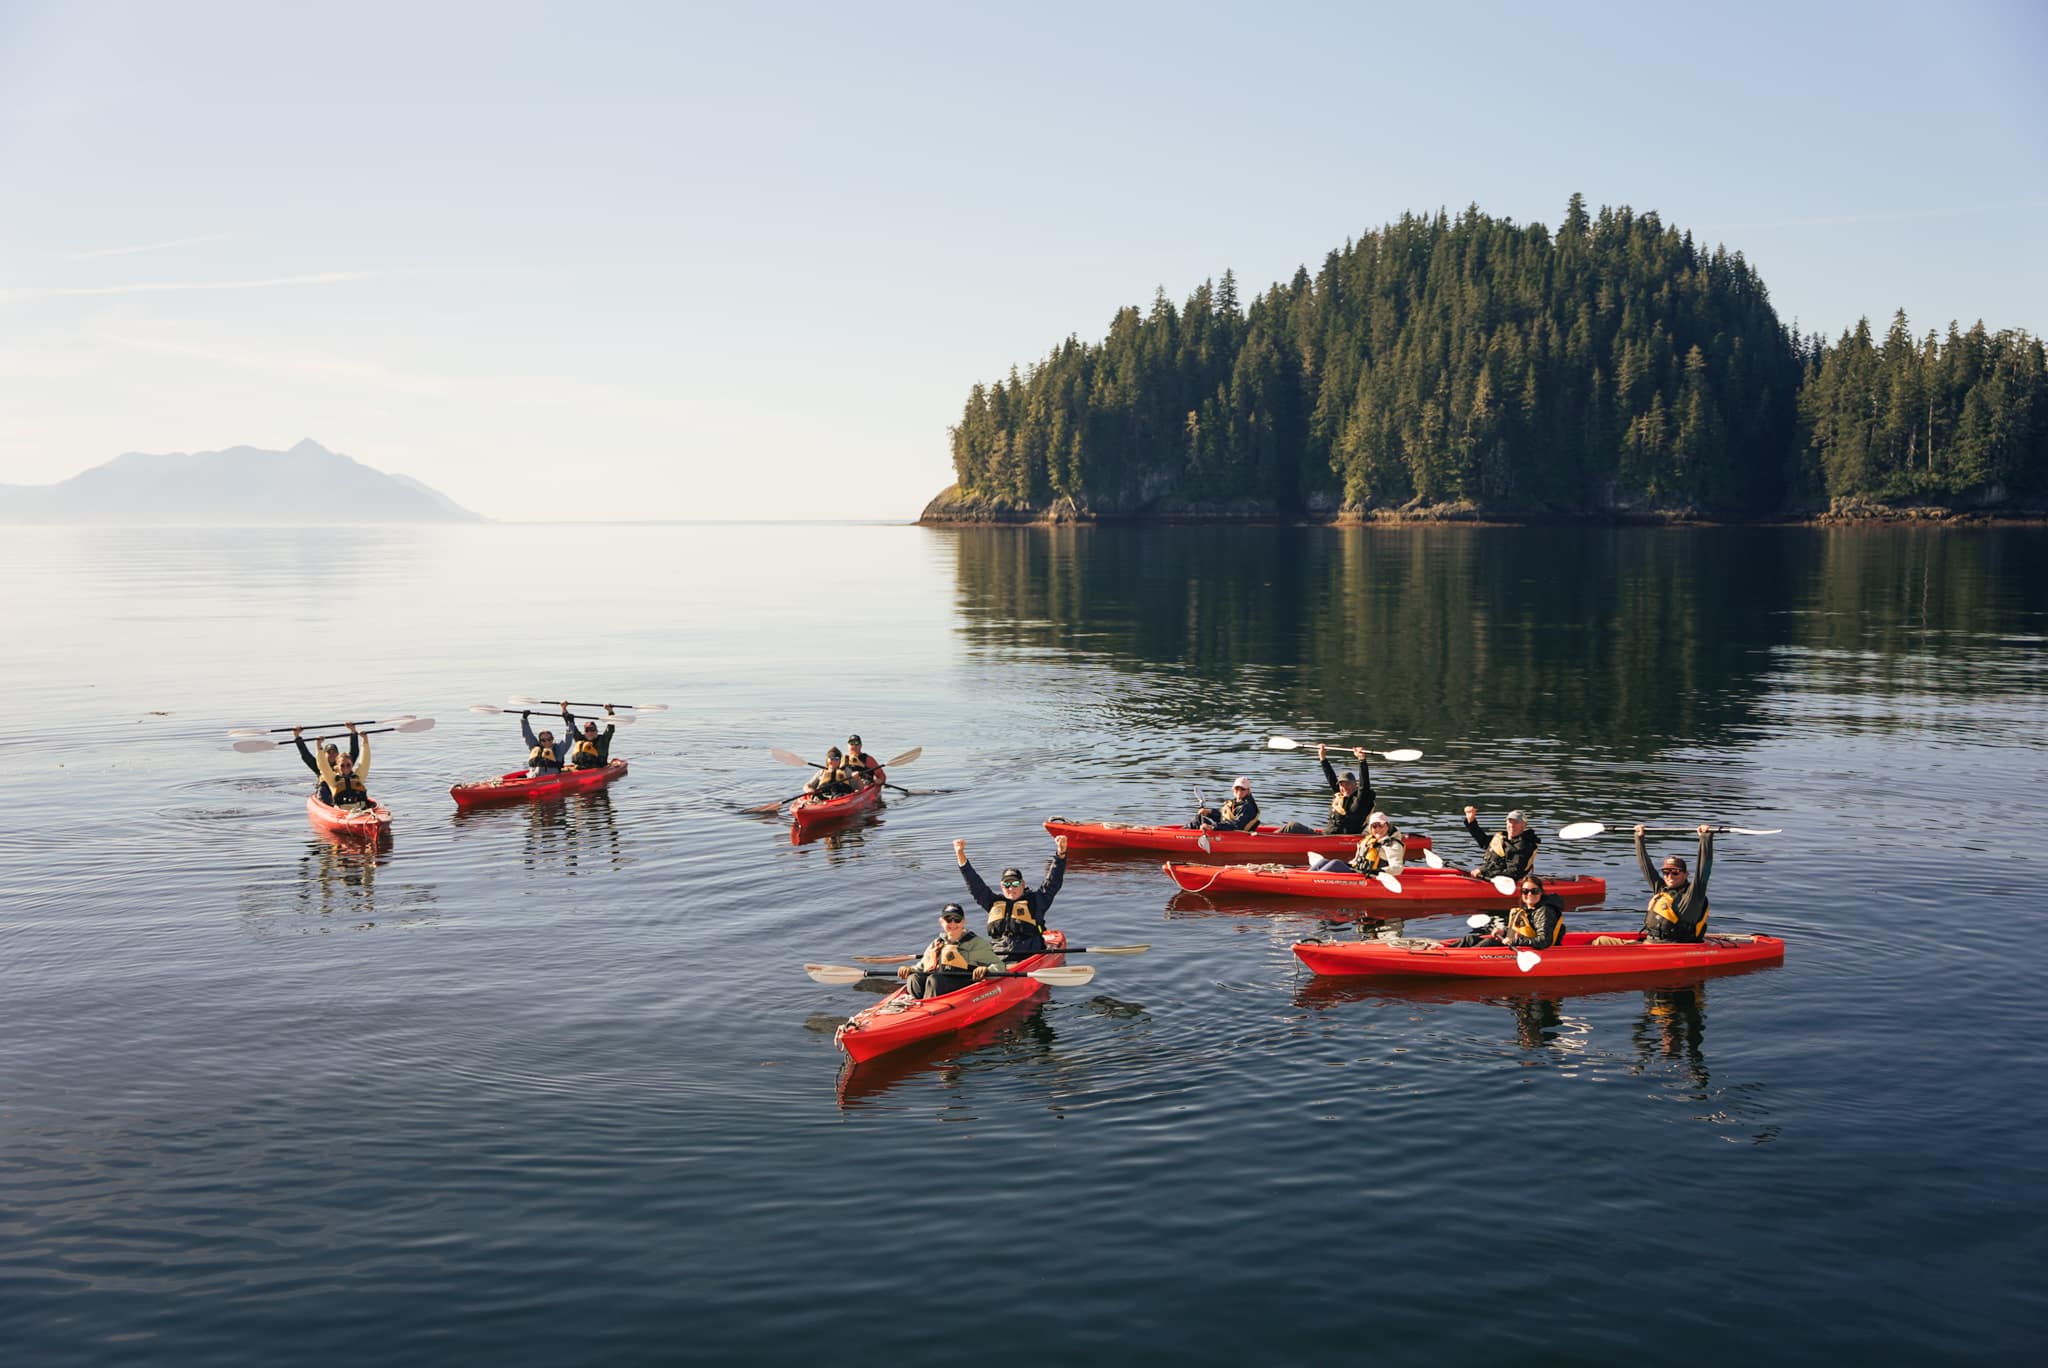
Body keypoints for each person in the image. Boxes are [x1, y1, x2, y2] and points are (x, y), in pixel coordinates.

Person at [956, 835, 1066, 958]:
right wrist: (960, 855)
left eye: (1015, 883)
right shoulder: (993, 902)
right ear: (1002, 886)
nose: (1011, 888)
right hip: (999, 957)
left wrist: (1060, 855)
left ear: (1022, 884)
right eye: (1007, 884)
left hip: (1028, 956)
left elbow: (1052, 883)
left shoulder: (1036, 901)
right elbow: (975, 884)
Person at [895, 903, 1005, 1000]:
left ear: (963, 922)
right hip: (938, 984)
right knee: (914, 978)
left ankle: (930, 1011)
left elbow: (999, 966)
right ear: (941, 922)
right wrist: (909, 970)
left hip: (963, 983)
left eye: (957, 919)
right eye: (948, 919)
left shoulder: (976, 944)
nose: (953, 923)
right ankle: (915, 1005)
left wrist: (985, 970)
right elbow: (922, 967)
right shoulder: (937, 943)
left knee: (934, 980)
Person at [1636, 823, 1713, 943]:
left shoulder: (1692, 898)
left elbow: (1703, 871)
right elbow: (1646, 867)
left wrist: (1705, 839)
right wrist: (1639, 838)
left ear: (1686, 874)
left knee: (1599, 944)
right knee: (1601, 941)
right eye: (1666, 872)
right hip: (1649, 942)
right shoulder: (1662, 889)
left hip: (1670, 948)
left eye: (1675, 872)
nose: (1670, 876)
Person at [1275, 744, 1376, 835]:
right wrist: (1322, 758)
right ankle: (1271, 838)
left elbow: (1364, 786)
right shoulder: (1340, 797)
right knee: (1291, 827)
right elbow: (1331, 778)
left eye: (1348, 784)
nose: (1345, 788)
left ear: (1355, 785)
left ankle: (1268, 840)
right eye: (1342, 785)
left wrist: (1362, 760)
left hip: (1336, 839)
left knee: (1292, 826)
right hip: (1326, 835)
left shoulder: (1360, 800)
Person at [1453, 875, 1567, 947]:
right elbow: (1521, 929)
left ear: (1541, 892)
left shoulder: (1545, 911)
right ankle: (1441, 950)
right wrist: (1503, 932)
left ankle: (1454, 958)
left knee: (1490, 942)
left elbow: (1543, 941)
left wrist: (1515, 941)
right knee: (1470, 939)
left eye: (1534, 891)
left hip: (1536, 949)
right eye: (1526, 891)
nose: (1530, 894)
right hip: (1523, 943)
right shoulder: (1527, 909)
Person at [1308, 811, 1405, 874]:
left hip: (1369, 876)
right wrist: (1347, 865)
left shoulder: (1392, 845)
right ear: (1371, 828)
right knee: (1323, 862)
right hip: (1358, 870)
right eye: (1374, 826)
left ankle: (1308, 880)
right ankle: (1305, 876)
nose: (1378, 829)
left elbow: (1397, 868)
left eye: (1381, 825)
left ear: (1387, 826)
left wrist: (1378, 872)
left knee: (1335, 864)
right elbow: (1356, 860)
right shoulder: (1369, 840)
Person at [1464, 806, 1539, 881]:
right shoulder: (1502, 838)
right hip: (1491, 875)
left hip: (1507, 881)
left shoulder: (1525, 845)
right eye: (1510, 822)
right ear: (1506, 823)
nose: (1512, 825)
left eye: (1516, 823)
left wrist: (1482, 870)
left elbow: (1513, 872)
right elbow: (1483, 840)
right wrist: (1471, 821)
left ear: (1524, 825)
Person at [293, 727, 358, 804]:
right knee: (323, 789)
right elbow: (306, 755)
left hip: (342, 792)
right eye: (329, 752)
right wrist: (297, 736)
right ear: (324, 755)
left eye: (334, 752)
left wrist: (353, 732)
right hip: (325, 794)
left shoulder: (344, 764)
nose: (332, 755)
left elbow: (354, 752)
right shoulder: (319, 766)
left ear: (338, 754)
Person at [313, 723, 372, 808]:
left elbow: (365, 761)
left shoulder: (358, 776)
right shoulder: (333, 779)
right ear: (338, 766)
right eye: (342, 765)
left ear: (352, 765)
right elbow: (323, 766)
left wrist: (365, 740)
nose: (345, 768)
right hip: (341, 813)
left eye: (348, 765)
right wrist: (319, 746)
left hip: (360, 810)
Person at [1189, 777, 1260, 831]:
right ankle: (1184, 835)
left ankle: (1182, 837)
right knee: (1198, 819)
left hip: (1235, 835)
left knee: (1197, 822)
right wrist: (1209, 812)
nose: (1239, 791)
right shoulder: (1236, 803)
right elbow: (1223, 816)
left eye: (1243, 789)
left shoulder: (1248, 807)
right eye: (1237, 788)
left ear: (1248, 791)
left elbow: (1236, 825)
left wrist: (1213, 827)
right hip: (1228, 830)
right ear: (1233, 789)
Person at [521, 712, 568, 776]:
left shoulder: (558, 749)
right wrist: (524, 719)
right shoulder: (535, 747)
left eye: (549, 739)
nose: (547, 742)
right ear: (540, 741)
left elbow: (568, 739)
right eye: (543, 740)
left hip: (552, 779)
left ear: (552, 739)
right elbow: (528, 734)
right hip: (533, 778)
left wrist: (570, 723)